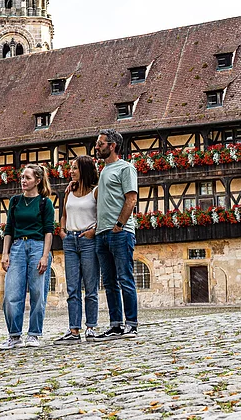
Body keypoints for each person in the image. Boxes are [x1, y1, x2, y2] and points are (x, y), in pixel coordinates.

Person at [0, 164, 54, 349]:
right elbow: (8, 229)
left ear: (37, 180)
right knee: (11, 293)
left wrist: (45, 256)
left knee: (38, 292)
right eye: (22, 177)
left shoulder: (45, 203)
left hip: (38, 246)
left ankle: (34, 334)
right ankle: (14, 336)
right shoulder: (15, 201)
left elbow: (48, 231)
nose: (23, 180)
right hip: (17, 247)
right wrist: (5, 253)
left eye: (27, 178)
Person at [93, 129, 139, 340]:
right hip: (102, 234)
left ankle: (131, 324)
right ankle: (115, 325)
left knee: (125, 278)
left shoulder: (126, 168)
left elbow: (131, 199)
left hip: (120, 233)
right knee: (110, 282)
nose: (97, 146)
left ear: (112, 146)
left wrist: (120, 225)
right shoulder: (103, 171)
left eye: (100, 143)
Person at [54, 156, 99, 345]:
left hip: (88, 240)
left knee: (90, 288)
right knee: (72, 288)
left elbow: (103, 215)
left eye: (75, 168)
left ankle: (91, 328)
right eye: (70, 168)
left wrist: (93, 231)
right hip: (70, 241)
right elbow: (64, 215)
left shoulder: (96, 192)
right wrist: (63, 232)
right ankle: (73, 330)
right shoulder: (69, 192)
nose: (70, 171)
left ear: (85, 170)